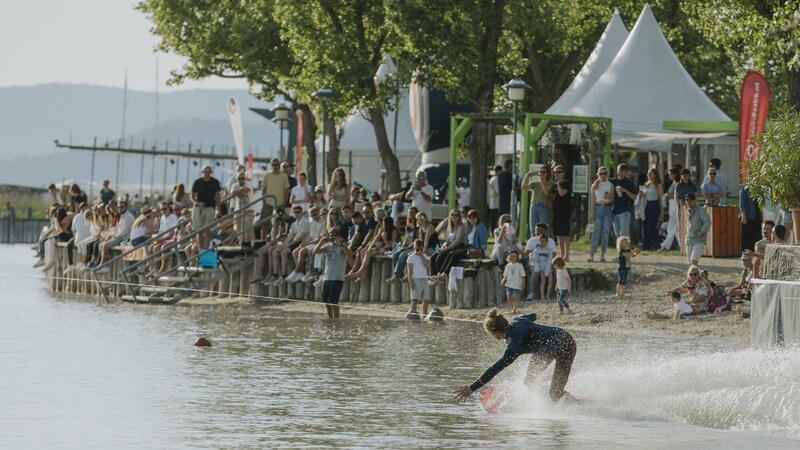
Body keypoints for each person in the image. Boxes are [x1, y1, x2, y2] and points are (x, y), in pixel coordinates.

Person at [453, 309, 577, 402]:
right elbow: (533, 315)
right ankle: (550, 400)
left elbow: (496, 368)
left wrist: (472, 388)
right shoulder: (517, 320)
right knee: (529, 380)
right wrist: (524, 318)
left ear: (495, 333)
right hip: (557, 340)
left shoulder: (514, 346)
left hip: (565, 345)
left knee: (554, 393)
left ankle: (573, 404)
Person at [313, 227, 353, 318]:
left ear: (339, 236)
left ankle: (336, 320)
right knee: (326, 302)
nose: (333, 237)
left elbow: (351, 254)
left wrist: (340, 244)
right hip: (327, 278)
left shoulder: (342, 247)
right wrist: (321, 241)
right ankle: (330, 319)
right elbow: (315, 251)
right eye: (331, 235)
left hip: (337, 278)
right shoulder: (327, 247)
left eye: (335, 235)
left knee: (334, 302)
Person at [190, 164, 222, 250]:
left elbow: (217, 197)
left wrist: (219, 210)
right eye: (205, 170)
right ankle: (201, 249)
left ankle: (206, 248)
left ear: (211, 172)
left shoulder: (215, 182)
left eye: (209, 170)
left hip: (210, 207)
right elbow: (192, 196)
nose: (207, 171)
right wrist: (197, 202)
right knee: (199, 230)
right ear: (202, 171)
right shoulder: (197, 182)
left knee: (207, 229)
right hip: (199, 208)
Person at [588, 167, 613, 262]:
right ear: (597, 174)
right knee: (596, 232)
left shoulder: (610, 185)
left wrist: (609, 197)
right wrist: (592, 213)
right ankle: (592, 254)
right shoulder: (594, 186)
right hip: (597, 209)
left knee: (605, 231)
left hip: (607, 209)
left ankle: (603, 254)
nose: (603, 175)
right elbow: (592, 201)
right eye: (601, 173)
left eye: (604, 173)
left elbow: (612, 199)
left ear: (607, 174)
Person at [521, 165, 553, 236]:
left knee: (544, 227)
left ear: (547, 174)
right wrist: (526, 177)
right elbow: (523, 187)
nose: (541, 174)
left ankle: (545, 243)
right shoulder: (535, 183)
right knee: (533, 227)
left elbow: (546, 192)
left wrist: (541, 181)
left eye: (544, 172)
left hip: (544, 206)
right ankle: (534, 243)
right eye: (540, 172)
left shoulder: (550, 183)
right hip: (534, 206)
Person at [550, 165, 572, 261]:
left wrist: (559, 183)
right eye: (555, 172)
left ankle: (567, 255)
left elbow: (562, 193)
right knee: (558, 234)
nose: (557, 174)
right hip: (556, 212)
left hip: (565, 211)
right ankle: (562, 254)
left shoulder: (566, 184)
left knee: (565, 233)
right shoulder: (553, 185)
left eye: (559, 172)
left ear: (563, 173)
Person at [610, 164, 637, 241]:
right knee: (617, 234)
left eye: (622, 171)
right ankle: (620, 251)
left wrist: (624, 190)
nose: (620, 172)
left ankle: (626, 250)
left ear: (626, 172)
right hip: (615, 210)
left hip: (625, 210)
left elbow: (634, 197)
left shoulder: (630, 183)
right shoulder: (613, 181)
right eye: (619, 170)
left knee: (624, 233)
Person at [639, 169, 664, 251]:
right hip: (646, 205)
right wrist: (641, 194)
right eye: (648, 173)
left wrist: (662, 210)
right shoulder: (646, 185)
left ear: (655, 175)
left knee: (651, 226)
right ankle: (646, 246)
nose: (649, 175)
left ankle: (656, 244)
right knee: (645, 226)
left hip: (654, 205)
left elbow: (661, 198)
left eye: (650, 173)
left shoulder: (658, 185)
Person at [406, 239, 432, 319]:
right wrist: (411, 283)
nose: (418, 251)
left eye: (420, 249)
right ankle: (412, 314)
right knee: (415, 299)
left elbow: (427, 265)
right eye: (417, 249)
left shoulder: (424, 256)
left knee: (426, 299)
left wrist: (421, 255)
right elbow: (409, 272)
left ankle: (424, 316)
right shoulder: (411, 258)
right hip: (415, 279)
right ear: (414, 248)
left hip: (424, 279)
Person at [684, 193, 711, 266]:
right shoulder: (687, 212)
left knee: (694, 261)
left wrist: (703, 230)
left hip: (698, 240)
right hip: (689, 240)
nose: (689, 203)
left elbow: (707, 221)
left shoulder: (701, 210)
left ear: (695, 201)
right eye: (687, 201)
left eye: (691, 201)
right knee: (690, 264)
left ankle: (697, 275)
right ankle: (700, 275)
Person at [659, 168, 680, 251]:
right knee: (675, 228)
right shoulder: (673, 183)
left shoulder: (677, 183)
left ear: (675, 174)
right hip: (671, 205)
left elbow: (677, 196)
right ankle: (679, 244)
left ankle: (665, 245)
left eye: (671, 174)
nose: (669, 176)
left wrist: (668, 195)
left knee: (671, 226)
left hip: (674, 204)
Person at [528, 234, 553, 301]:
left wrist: (547, 271)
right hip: (540, 267)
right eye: (541, 241)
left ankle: (547, 295)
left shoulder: (549, 250)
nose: (542, 243)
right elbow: (536, 260)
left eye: (544, 241)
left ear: (546, 242)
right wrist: (541, 269)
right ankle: (542, 296)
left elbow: (549, 260)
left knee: (550, 280)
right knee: (543, 280)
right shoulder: (536, 250)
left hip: (547, 267)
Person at [739, 185, 762, 252]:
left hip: (756, 215)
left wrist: (761, 214)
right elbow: (742, 202)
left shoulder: (759, 188)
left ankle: (754, 253)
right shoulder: (745, 188)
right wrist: (743, 214)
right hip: (748, 215)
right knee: (746, 237)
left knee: (756, 237)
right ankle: (746, 254)